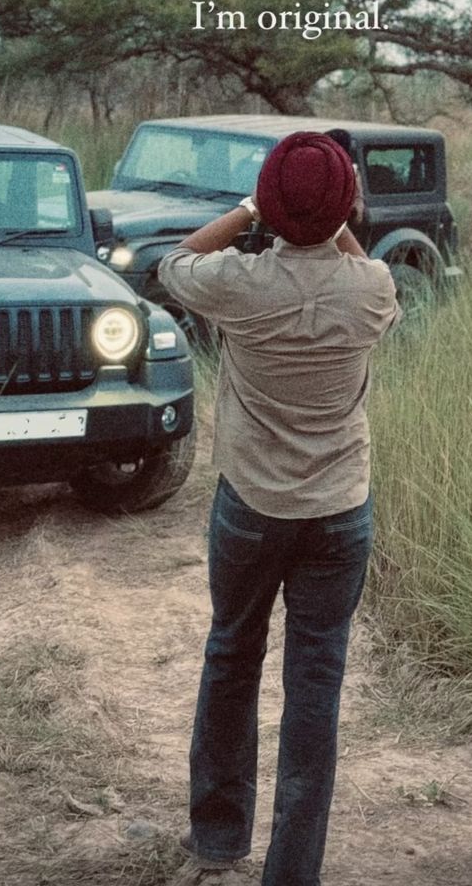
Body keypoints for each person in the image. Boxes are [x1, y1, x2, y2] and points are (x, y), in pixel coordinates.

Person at [158, 131, 399, 886]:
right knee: (315, 684)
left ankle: (218, 839)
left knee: (232, 654)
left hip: (253, 503)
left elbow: (171, 265)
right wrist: (329, 214)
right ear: (348, 204)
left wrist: (247, 208)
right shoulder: (375, 287)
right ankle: (293, 871)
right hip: (339, 511)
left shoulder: (236, 282)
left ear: (266, 198)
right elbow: (351, 260)